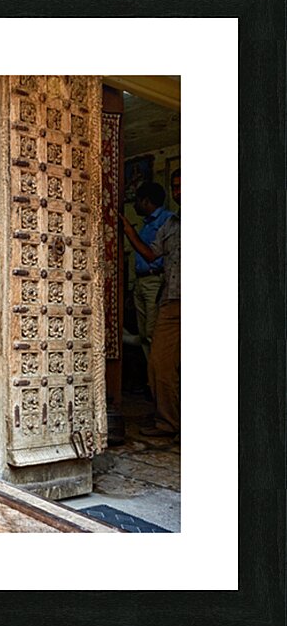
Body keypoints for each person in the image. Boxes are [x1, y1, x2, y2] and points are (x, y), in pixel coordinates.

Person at [121, 170, 181, 437]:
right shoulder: (172, 224)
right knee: (159, 363)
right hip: (171, 299)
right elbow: (151, 253)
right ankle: (169, 422)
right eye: (175, 187)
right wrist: (129, 230)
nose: (179, 192)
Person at [130, 182, 174, 365]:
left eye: (137, 201)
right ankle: (152, 374)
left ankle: (160, 374)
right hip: (142, 281)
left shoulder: (168, 220)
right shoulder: (147, 224)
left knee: (153, 332)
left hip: (155, 280)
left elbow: (152, 253)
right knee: (143, 333)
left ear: (146, 201)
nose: (134, 205)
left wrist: (129, 231)